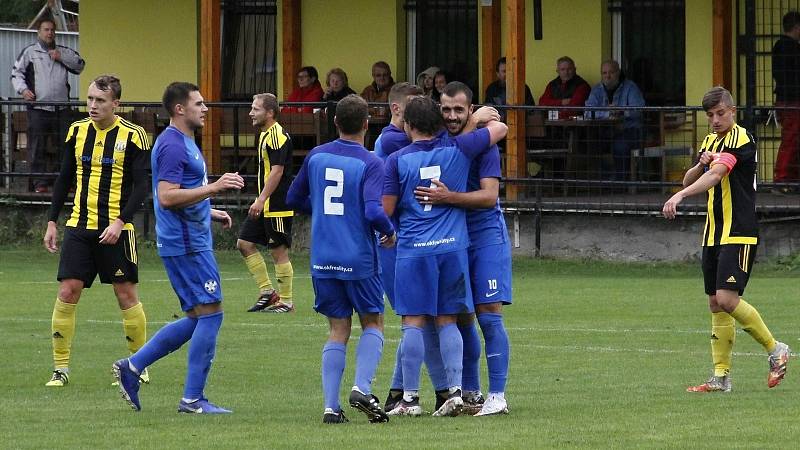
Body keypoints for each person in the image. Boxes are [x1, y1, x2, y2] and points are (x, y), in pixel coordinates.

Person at [112, 82, 244, 414]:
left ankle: (132, 366)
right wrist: (215, 186)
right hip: (187, 246)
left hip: (190, 240)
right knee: (211, 315)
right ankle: (192, 400)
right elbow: (167, 196)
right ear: (179, 109)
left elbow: (177, 193)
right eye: (198, 103)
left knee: (198, 317)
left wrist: (209, 210)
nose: (205, 108)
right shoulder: (172, 145)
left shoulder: (184, 142)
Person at [382, 96, 507, 417]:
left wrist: (387, 230)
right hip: (452, 246)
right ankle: (455, 392)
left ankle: (409, 400)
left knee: (412, 321)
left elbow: (386, 211)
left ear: (408, 125)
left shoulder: (396, 159)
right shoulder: (459, 150)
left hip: (414, 250)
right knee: (450, 319)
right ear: (438, 122)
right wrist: (480, 119)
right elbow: (500, 129)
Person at [662, 86, 790, 393]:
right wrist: (699, 163)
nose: (716, 120)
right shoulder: (710, 141)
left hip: (739, 230)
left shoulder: (740, 138)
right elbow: (692, 177)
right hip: (714, 232)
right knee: (715, 304)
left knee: (727, 299)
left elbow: (716, 176)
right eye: (710, 115)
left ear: (732, 111)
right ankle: (720, 378)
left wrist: (679, 195)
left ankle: (777, 350)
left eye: (720, 113)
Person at [286, 95, 396, 424]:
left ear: (335, 122)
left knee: (337, 329)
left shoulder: (317, 156)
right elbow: (373, 210)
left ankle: (331, 408)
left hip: (322, 257)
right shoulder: (370, 162)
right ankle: (362, 387)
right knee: (373, 322)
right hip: (358, 257)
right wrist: (389, 232)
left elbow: (293, 198)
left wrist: (318, 209)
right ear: (367, 124)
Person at [42, 75, 149, 388]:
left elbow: (142, 185)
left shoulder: (134, 136)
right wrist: (51, 221)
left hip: (116, 230)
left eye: (100, 101)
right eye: (89, 99)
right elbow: (63, 179)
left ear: (116, 103)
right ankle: (60, 369)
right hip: (79, 227)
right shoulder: (76, 131)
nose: (92, 106)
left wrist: (120, 221)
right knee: (67, 291)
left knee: (125, 294)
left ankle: (138, 366)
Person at [415, 81, 511, 416]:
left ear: (470, 109)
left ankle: (497, 395)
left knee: (489, 316)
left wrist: (448, 198)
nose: (452, 116)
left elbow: (488, 197)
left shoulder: (487, 146)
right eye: (446, 109)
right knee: (461, 317)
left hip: (485, 236)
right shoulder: (438, 140)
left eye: (460, 110)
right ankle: (471, 393)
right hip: (453, 239)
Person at [373, 83, 452, 413]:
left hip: (410, 241)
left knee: (419, 319)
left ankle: (399, 391)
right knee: (419, 319)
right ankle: (442, 392)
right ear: (397, 111)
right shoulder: (394, 141)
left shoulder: (402, 143)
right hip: (396, 245)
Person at [11, 17, 85, 192]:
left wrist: (61, 58)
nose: (50, 33)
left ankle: (64, 182)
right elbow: (16, 74)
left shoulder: (64, 51)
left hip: (62, 108)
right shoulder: (29, 52)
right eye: (46, 30)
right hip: (38, 108)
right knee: (38, 146)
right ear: (39, 32)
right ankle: (40, 183)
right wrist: (23, 91)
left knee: (65, 146)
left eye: (52, 30)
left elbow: (80, 65)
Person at [238, 93, 295, 313]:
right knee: (244, 243)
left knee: (278, 251)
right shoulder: (265, 134)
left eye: (256, 109)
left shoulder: (277, 136)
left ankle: (287, 302)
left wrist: (261, 198)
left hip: (277, 203)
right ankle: (268, 293)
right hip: (264, 202)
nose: (251, 113)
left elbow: (278, 171)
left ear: (270, 113)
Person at [584, 60, 646, 180]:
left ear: (618, 73)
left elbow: (639, 109)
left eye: (611, 72)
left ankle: (620, 182)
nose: (607, 76)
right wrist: (607, 112)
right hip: (606, 130)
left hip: (630, 130)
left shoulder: (630, 87)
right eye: (604, 73)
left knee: (619, 146)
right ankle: (601, 181)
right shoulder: (597, 89)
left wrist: (620, 111)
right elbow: (588, 112)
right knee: (590, 144)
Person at [771, 11, 800, 192]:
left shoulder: (779, 47)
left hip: (784, 99)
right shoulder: (793, 49)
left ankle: (789, 179)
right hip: (792, 101)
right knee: (791, 140)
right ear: (797, 28)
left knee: (792, 139)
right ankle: (782, 179)